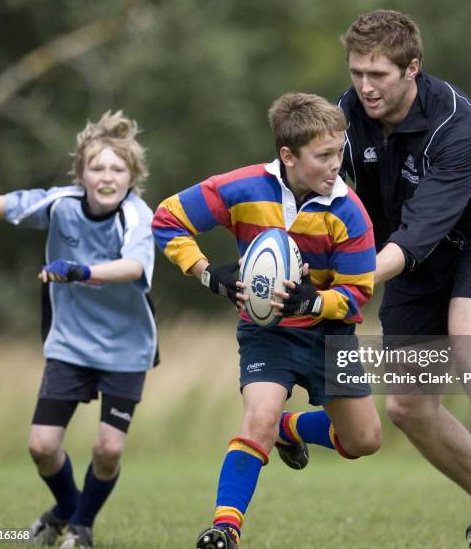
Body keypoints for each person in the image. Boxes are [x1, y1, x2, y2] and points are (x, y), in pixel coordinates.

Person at [336, 9, 471, 549]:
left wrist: (343, 281)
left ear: (412, 69)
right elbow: (306, 184)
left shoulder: (457, 128)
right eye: (357, 72)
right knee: (407, 406)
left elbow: (413, 238)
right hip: (414, 252)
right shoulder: (346, 115)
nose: (364, 87)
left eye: (378, 75)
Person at [152, 92, 382, 549]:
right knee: (256, 417)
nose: (336, 164)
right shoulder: (242, 188)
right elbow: (166, 219)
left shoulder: (349, 211)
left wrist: (313, 302)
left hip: (329, 336)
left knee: (364, 440)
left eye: (340, 151)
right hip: (266, 332)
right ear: (288, 155)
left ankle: (288, 427)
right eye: (323, 156)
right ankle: (224, 530)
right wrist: (206, 273)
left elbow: (358, 292)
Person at [0, 111, 157, 549]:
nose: (107, 177)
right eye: (97, 167)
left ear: (132, 176)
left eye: (117, 168)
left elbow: (134, 266)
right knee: (42, 446)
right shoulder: (61, 204)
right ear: (81, 175)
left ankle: (79, 529)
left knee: (108, 450)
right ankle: (70, 515)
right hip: (69, 345)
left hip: (126, 349)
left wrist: (80, 270)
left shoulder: (137, 215)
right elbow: (14, 203)